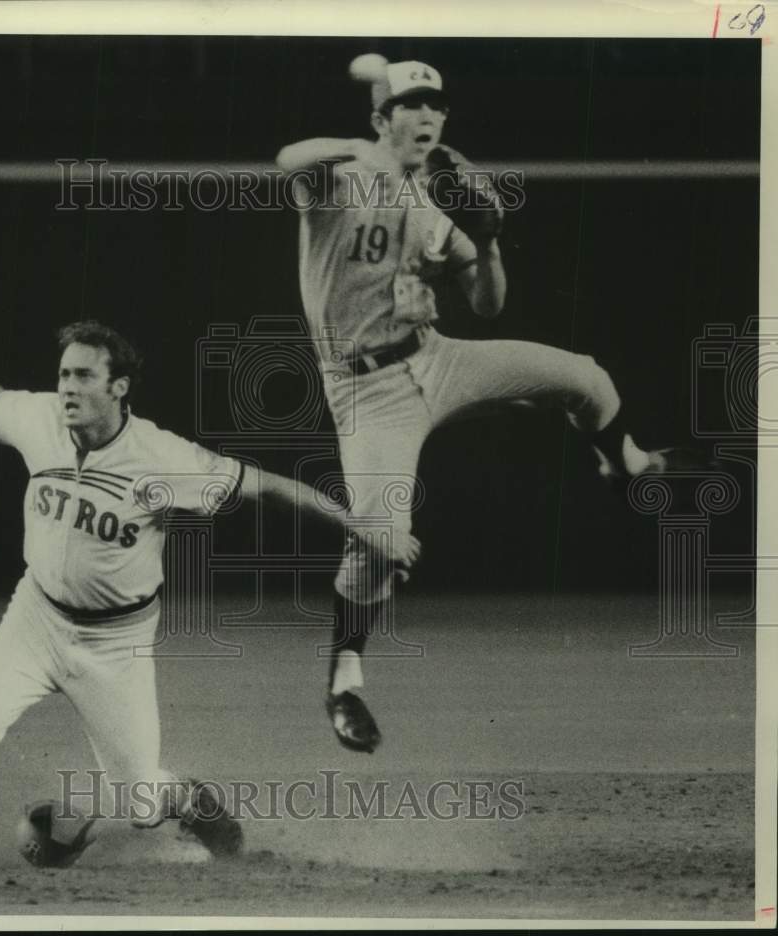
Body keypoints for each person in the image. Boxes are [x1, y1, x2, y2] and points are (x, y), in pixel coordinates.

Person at [0, 321, 420, 865]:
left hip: (116, 646)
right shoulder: (41, 423)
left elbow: (265, 488)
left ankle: (189, 799)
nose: (67, 387)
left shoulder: (161, 458)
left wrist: (363, 528)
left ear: (119, 387)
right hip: (34, 620)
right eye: (63, 374)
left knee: (141, 803)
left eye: (84, 375)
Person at [276, 56, 710, 755]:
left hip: (436, 358)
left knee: (587, 379)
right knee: (381, 537)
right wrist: (366, 151)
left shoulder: (431, 210)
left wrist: (489, 239)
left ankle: (626, 464)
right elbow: (287, 157)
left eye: (435, 107)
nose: (426, 117)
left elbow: (487, 304)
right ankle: (344, 680)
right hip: (365, 390)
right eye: (410, 106)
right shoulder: (337, 179)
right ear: (381, 119)